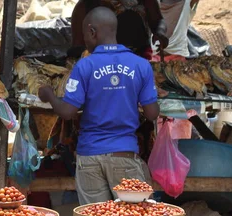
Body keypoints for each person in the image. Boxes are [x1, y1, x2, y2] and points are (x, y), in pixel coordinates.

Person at [38, 6, 160, 205]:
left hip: (90, 158)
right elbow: (152, 113)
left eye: (84, 34)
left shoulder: (84, 66)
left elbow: (68, 112)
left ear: (92, 32)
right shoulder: (141, 65)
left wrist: (50, 95)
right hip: (124, 156)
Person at [70, 0, 168, 60]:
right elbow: (78, 46)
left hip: (141, 58)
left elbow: (158, 20)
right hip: (103, 65)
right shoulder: (86, 5)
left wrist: (160, 31)